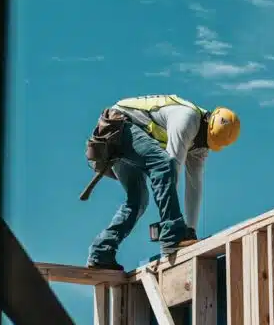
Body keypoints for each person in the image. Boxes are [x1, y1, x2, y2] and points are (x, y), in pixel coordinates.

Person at [85, 94, 240, 270]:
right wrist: (174, 232)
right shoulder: (187, 119)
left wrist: (191, 230)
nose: (201, 146)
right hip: (117, 127)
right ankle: (171, 236)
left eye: (207, 144)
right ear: (207, 123)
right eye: (204, 140)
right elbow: (170, 168)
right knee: (164, 164)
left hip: (125, 138)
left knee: (137, 201)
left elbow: (194, 186)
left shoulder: (201, 145)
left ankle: (101, 252)